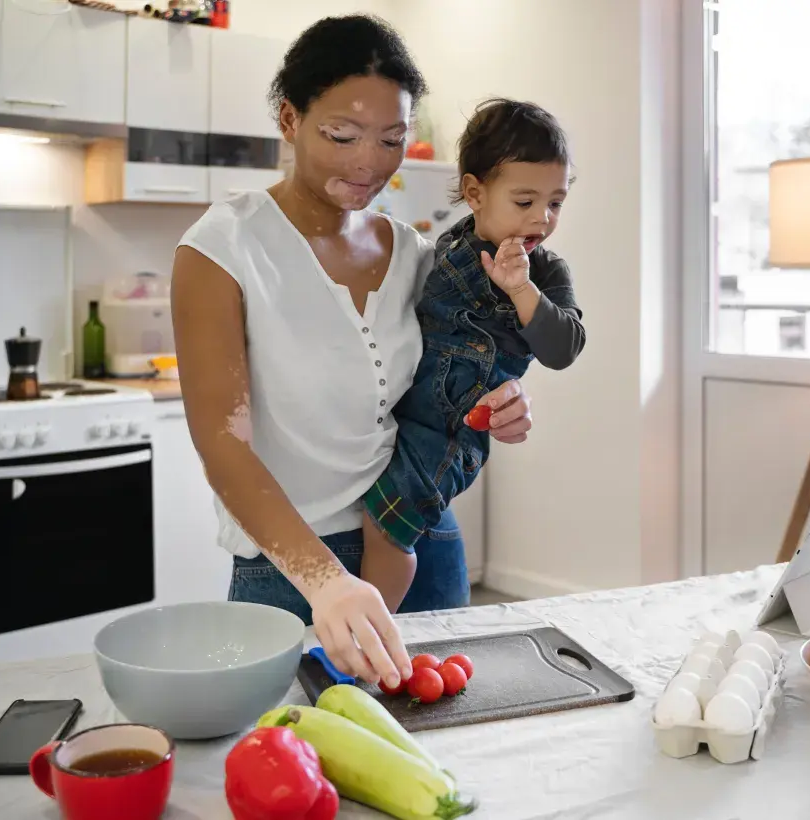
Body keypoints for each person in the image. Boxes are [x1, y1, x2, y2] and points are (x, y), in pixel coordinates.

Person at [169, 15, 534, 690]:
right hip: (289, 568)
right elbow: (223, 444)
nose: (369, 161)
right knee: (293, 746)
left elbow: (449, 381)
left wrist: (500, 402)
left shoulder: (416, 255)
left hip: (419, 539)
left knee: (444, 743)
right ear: (290, 119)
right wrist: (326, 581)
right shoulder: (223, 247)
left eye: (392, 139)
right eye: (342, 135)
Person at [360, 99, 584, 612]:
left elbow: (563, 348)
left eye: (555, 203)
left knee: (388, 524)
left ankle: (372, 628)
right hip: (407, 408)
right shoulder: (447, 247)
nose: (542, 218)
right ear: (475, 193)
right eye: (525, 201)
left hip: (453, 428)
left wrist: (522, 289)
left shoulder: (547, 273)